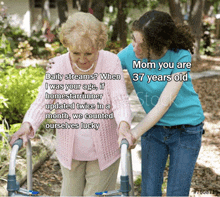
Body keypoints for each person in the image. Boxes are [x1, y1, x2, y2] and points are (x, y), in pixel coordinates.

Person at [10, 12, 133, 196]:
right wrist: (28, 124)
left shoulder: (110, 62)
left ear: (99, 45)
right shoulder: (57, 65)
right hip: (70, 152)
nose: (82, 59)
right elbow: (43, 101)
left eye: (88, 53)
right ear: (67, 44)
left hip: (105, 151)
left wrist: (124, 125)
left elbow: (119, 99)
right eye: (76, 53)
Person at [118, 10, 205, 196]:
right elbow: (103, 71)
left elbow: (163, 103)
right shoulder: (129, 53)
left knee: (176, 192)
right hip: (154, 130)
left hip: (186, 130)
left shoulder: (181, 56)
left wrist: (134, 133)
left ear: (158, 46)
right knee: (149, 192)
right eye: (134, 39)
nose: (135, 48)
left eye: (142, 45)